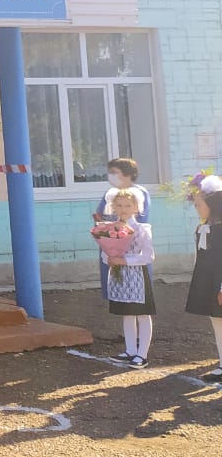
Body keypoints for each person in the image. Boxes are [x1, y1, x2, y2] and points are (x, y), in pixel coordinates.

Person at [103, 188, 155, 368]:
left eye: (127, 205)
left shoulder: (141, 229)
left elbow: (148, 256)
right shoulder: (111, 229)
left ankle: (142, 355)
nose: (123, 209)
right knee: (127, 313)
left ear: (136, 207)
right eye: (119, 205)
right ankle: (130, 350)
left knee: (142, 313)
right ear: (113, 207)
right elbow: (105, 252)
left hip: (137, 276)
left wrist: (124, 260)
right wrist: (109, 258)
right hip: (120, 276)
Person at [93, 157, 151, 299]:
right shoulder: (110, 193)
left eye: (114, 172)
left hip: (131, 246)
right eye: (109, 172)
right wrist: (103, 228)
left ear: (127, 173)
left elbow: (140, 219)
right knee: (115, 285)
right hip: (111, 244)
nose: (110, 176)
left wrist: (120, 230)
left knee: (135, 290)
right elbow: (101, 214)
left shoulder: (138, 193)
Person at [186, 180, 222, 383]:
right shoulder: (203, 228)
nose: (196, 207)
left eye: (199, 203)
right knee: (217, 323)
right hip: (209, 282)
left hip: (220, 283)